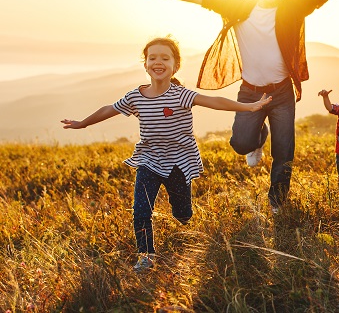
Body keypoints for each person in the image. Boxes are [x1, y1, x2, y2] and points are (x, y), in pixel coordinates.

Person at [137, 0, 339, 212]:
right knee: (240, 144)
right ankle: (259, 138)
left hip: (281, 93)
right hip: (250, 92)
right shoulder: (238, 5)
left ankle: (277, 202)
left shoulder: (292, 6)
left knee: (284, 150)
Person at [61, 37, 271, 272]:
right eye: (152, 58)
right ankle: (146, 255)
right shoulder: (136, 97)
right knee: (141, 210)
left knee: (182, 214)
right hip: (148, 161)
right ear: (145, 64)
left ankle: (183, 218)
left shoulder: (180, 95)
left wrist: (249, 107)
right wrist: (83, 124)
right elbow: (109, 109)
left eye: (164, 58)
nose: (157, 62)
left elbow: (214, 102)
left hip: (178, 164)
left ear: (175, 65)